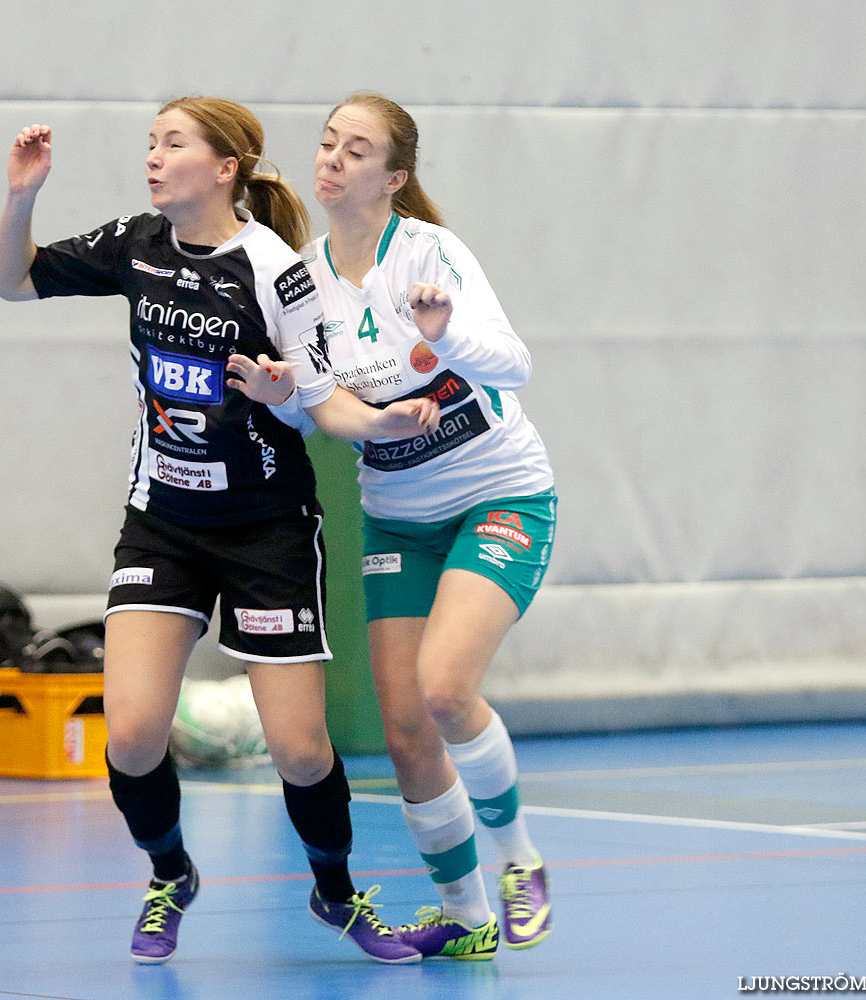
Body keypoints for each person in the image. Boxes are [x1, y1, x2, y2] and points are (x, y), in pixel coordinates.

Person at [0, 96, 439, 965]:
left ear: (225, 168)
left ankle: (338, 896)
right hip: (162, 523)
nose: (153, 159)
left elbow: (322, 402)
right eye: (149, 144)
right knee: (130, 732)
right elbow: (12, 279)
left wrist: (344, 415)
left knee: (302, 752)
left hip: (266, 531)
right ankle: (169, 875)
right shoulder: (135, 243)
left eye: (173, 144)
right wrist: (20, 198)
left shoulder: (278, 272)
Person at [236, 92, 558, 960]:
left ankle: (521, 863)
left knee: (448, 688)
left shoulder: (430, 254)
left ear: (395, 177)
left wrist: (447, 338)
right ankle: (465, 914)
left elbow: (515, 363)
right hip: (398, 521)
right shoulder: (300, 280)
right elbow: (320, 405)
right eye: (328, 143)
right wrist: (286, 399)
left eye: (357, 149)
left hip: (499, 498)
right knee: (407, 727)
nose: (333, 158)